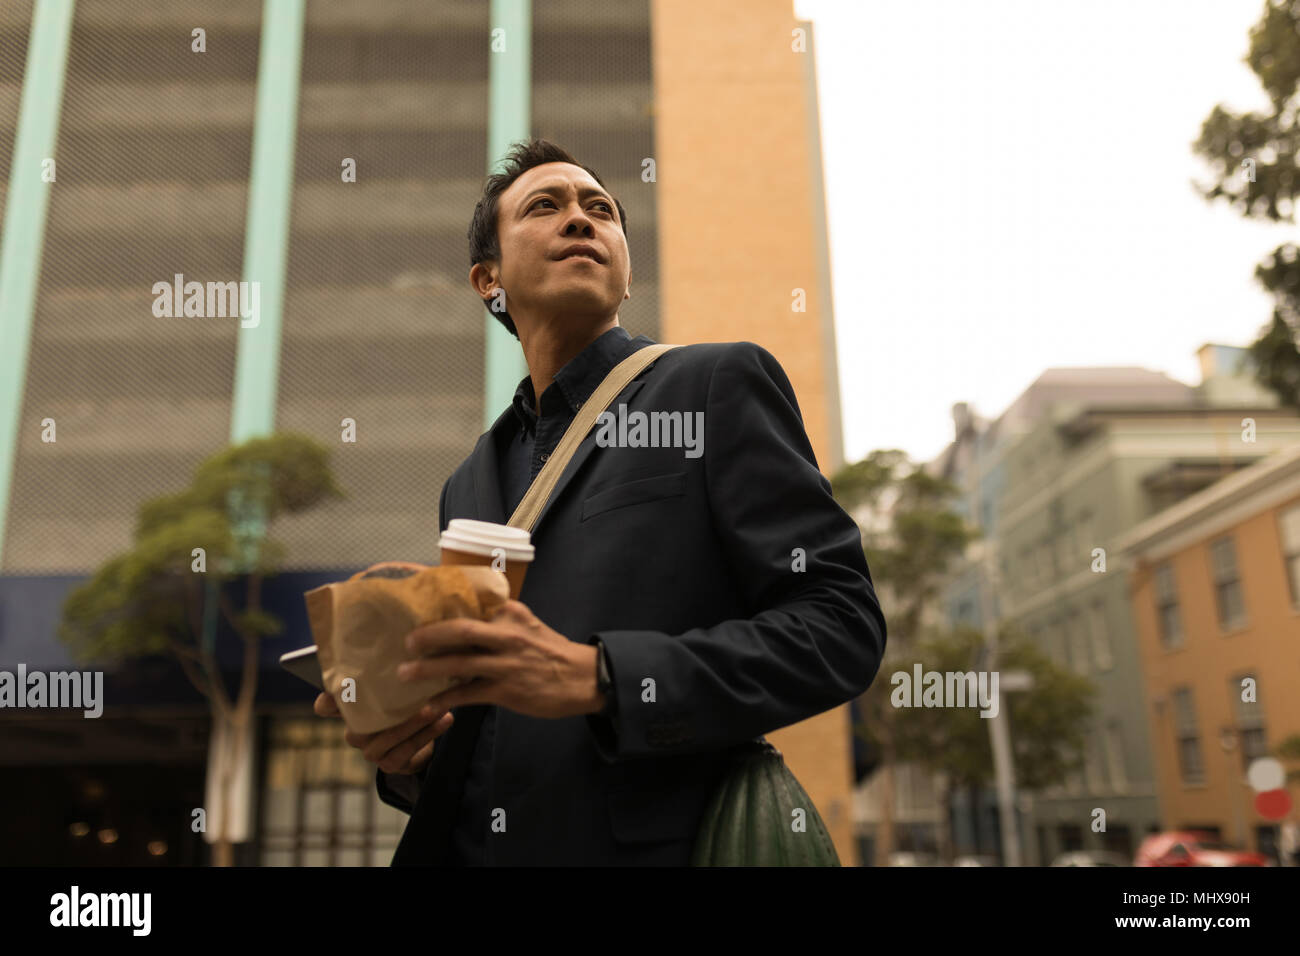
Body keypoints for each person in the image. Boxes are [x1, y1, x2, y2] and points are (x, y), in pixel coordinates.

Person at [315, 138, 887, 865]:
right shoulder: (468, 481)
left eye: (600, 210)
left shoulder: (714, 384)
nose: (581, 220)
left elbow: (840, 627)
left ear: (624, 273)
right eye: (545, 207)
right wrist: (409, 753)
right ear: (487, 280)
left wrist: (606, 678)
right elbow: (486, 717)